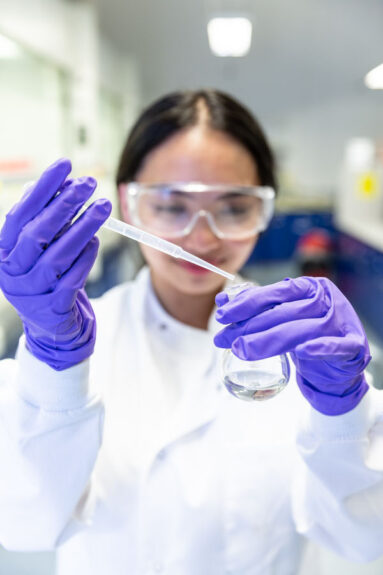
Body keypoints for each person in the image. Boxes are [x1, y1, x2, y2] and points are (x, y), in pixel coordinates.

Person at [0, 89, 382, 575]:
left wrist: (345, 413)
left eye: (233, 207)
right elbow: (26, 524)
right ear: (127, 203)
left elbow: (359, 537)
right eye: (171, 205)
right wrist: (54, 365)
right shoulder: (67, 348)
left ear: (265, 209)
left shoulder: (312, 352)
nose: (202, 236)